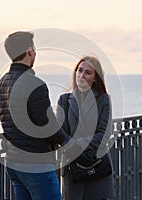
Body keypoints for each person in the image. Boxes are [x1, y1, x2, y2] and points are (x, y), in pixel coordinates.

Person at [0, 31, 71, 200]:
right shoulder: (35, 84)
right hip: (36, 164)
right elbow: (47, 127)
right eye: (34, 49)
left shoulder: (0, 85)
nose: (35, 53)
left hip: (14, 162)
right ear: (30, 51)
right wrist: (66, 140)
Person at [57, 56, 115, 200]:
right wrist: (73, 148)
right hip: (73, 168)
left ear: (95, 78)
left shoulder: (104, 100)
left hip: (98, 165)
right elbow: (60, 134)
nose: (81, 75)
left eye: (88, 73)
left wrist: (78, 145)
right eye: (79, 70)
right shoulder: (64, 100)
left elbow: (105, 133)